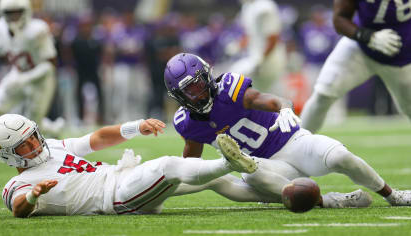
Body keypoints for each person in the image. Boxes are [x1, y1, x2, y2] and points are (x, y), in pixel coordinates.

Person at [164, 52, 411, 208]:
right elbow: (191, 166)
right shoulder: (188, 123)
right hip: (265, 167)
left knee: (340, 156)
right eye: (190, 90)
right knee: (248, 172)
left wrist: (285, 109)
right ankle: (331, 201)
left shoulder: (229, 88)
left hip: (292, 142)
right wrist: (163, 186)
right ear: (178, 96)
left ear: (207, 75)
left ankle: (392, 195)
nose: (199, 93)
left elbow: (273, 100)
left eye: (199, 84)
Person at [0, 114, 257, 217]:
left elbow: (96, 139)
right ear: (8, 155)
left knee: (211, 180)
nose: (35, 145)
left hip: (122, 177)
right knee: (169, 166)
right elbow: (18, 209)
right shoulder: (18, 184)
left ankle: (271, 194)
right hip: (114, 197)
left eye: (33, 137)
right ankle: (227, 162)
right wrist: (33, 194)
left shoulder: (54, 146)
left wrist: (135, 127)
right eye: (24, 145)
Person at [300, 0, 411, 133]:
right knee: (323, 93)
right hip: (361, 48)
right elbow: (339, 19)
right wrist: (369, 37)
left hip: (403, 58)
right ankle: (296, 144)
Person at [0, 0, 57, 127]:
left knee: (31, 125)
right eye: (9, 13)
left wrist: (24, 79)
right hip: (17, 74)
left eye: (17, 13)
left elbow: (50, 64)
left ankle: (53, 130)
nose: (13, 17)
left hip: (40, 81)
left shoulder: (38, 29)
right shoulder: (0, 27)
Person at [229, 0, 286, 94]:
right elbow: (250, 34)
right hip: (255, 59)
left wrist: (261, 59)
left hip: (270, 61)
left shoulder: (265, 7)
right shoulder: (247, 7)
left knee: (268, 95)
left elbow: (273, 38)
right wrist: (237, 46)